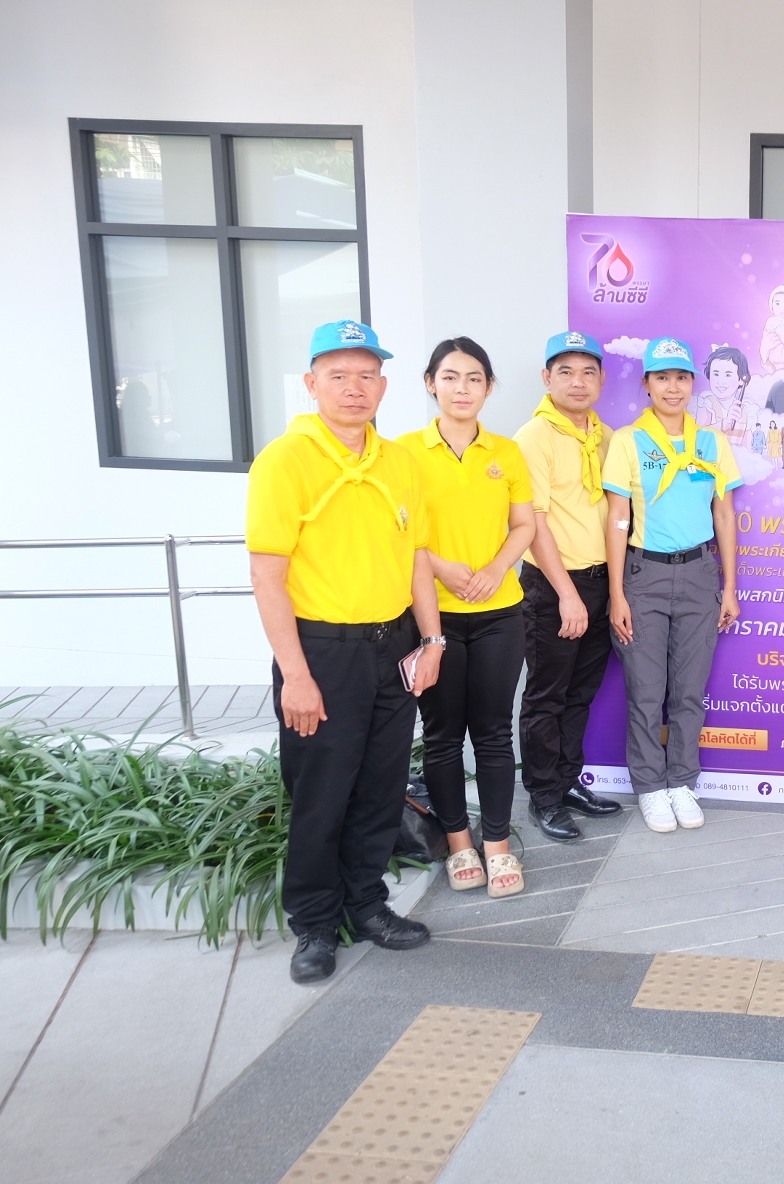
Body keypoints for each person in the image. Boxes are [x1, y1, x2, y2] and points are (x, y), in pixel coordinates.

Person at [246, 320, 440, 983]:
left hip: (394, 647)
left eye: (366, 376)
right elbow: (267, 575)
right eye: (338, 376)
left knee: (380, 788)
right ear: (312, 383)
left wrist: (433, 640)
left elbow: (416, 559)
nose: (354, 388)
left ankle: (368, 904)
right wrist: (295, 676)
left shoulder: (400, 462)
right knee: (321, 795)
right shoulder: (285, 461)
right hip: (321, 655)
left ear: (383, 386)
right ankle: (315, 924)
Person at [397, 337, 534, 899]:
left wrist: (498, 568)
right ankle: (458, 843)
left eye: (474, 378)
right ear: (430, 383)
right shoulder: (402, 453)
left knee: (496, 733)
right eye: (450, 377)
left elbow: (524, 525)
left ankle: (497, 845)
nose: (462, 388)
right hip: (433, 619)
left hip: (500, 613)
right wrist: (440, 567)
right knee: (443, 736)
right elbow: (397, 533)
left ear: (489, 387)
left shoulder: (507, 452)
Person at [604, 337, 743, 833]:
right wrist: (617, 593)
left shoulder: (712, 443)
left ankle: (682, 781)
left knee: (689, 691)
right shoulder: (627, 441)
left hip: (700, 574)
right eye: (662, 378)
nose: (672, 387)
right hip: (644, 575)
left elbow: (724, 514)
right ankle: (650, 787)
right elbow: (617, 518)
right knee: (646, 692)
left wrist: (729, 587)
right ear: (646, 384)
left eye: (681, 378)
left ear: (692, 384)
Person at [513, 331, 624, 844]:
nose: (577, 382)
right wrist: (567, 595)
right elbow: (532, 522)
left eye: (587, 372)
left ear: (601, 379)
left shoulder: (606, 436)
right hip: (556, 588)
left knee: (580, 694)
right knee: (546, 696)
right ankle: (543, 796)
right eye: (565, 372)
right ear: (546, 378)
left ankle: (567, 781)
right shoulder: (533, 437)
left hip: (602, 582)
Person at [693, 344, 752, 435]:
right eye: (716, 374)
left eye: (728, 375)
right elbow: (700, 434)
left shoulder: (745, 411)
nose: (720, 381)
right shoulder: (707, 405)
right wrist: (726, 422)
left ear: (741, 380)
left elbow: (746, 441)